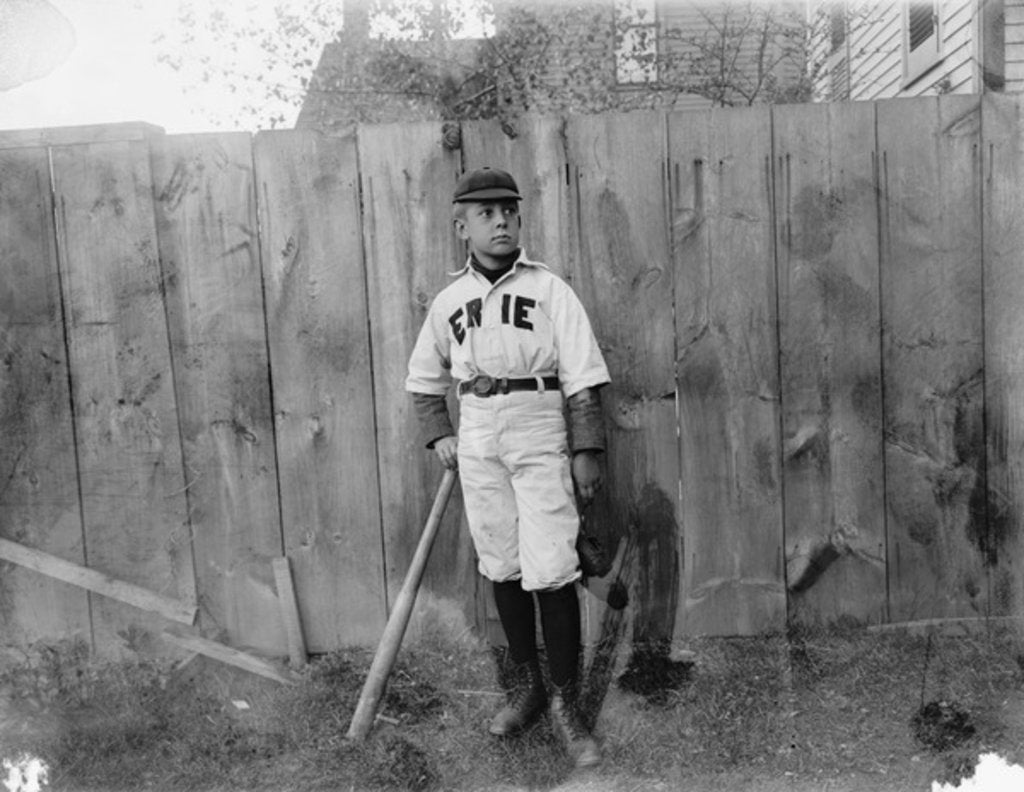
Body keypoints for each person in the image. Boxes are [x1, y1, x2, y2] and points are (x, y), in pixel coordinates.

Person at [405, 166, 611, 769]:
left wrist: (586, 450)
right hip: (478, 432)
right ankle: (526, 689)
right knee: (501, 560)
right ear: (461, 225)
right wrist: (439, 433)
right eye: (485, 213)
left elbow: (583, 376)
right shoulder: (449, 301)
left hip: (538, 422)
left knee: (552, 566)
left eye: (508, 211)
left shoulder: (550, 290)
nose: (499, 221)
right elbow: (423, 382)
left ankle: (567, 705)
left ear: (520, 219)